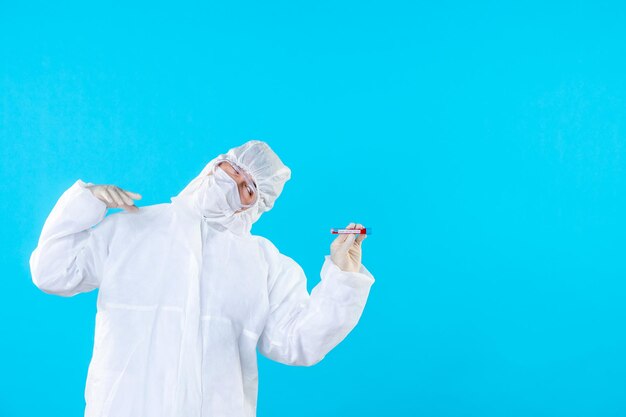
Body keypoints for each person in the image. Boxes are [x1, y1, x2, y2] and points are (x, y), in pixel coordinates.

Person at [29, 140, 375, 417]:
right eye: (234, 169)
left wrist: (343, 277)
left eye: (249, 186)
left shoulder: (265, 263)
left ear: (256, 205)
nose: (234, 181)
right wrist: (85, 203)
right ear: (216, 163)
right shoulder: (130, 228)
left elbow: (299, 342)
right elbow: (52, 273)